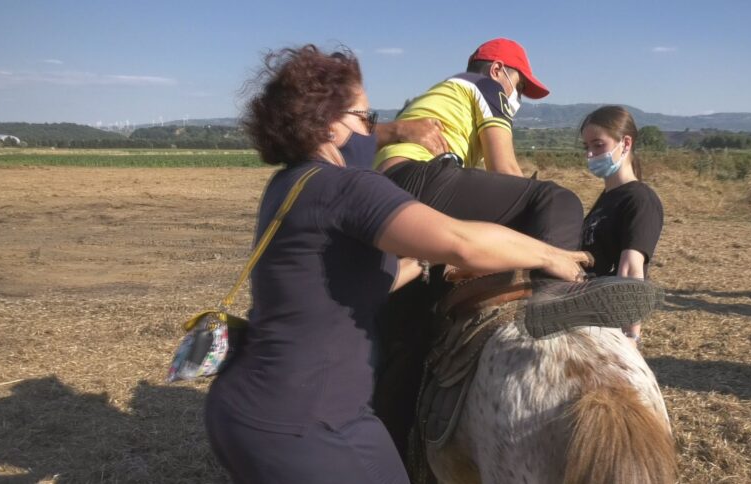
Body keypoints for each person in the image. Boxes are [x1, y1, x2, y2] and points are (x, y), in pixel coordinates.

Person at [204, 45, 599, 484]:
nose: (375, 131)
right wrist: (551, 255)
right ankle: (559, 315)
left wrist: (424, 267)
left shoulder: (288, 186)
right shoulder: (347, 187)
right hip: (306, 422)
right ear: (328, 122)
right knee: (554, 198)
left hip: (253, 409)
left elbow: (358, 279)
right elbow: (461, 241)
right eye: (366, 119)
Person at [371, 37, 584, 252]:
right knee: (557, 201)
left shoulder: (439, 95)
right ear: (497, 69)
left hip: (381, 191)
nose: (518, 97)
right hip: (419, 177)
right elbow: (504, 169)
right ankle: (551, 282)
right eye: (519, 86)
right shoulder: (485, 85)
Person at [579, 106, 664, 348]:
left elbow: (630, 271)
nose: (590, 155)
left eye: (598, 145)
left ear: (625, 144)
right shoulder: (607, 197)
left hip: (607, 326)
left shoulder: (640, 199)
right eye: (586, 147)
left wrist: (630, 337)